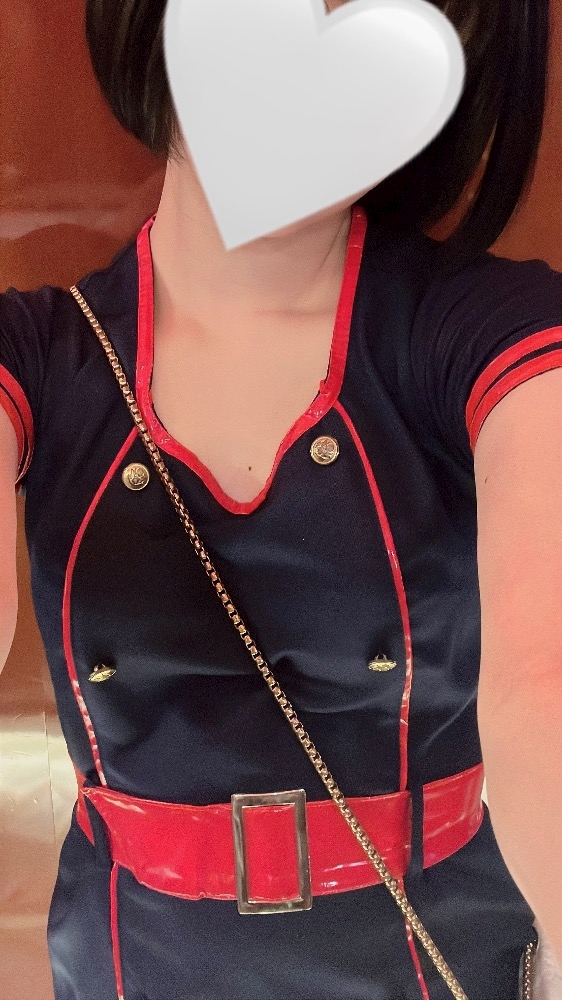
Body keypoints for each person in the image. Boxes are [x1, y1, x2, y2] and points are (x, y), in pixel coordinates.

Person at [0, 0, 561, 997]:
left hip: (436, 953)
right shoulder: (34, 356)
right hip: (134, 958)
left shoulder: (499, 332)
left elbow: (546, 679)